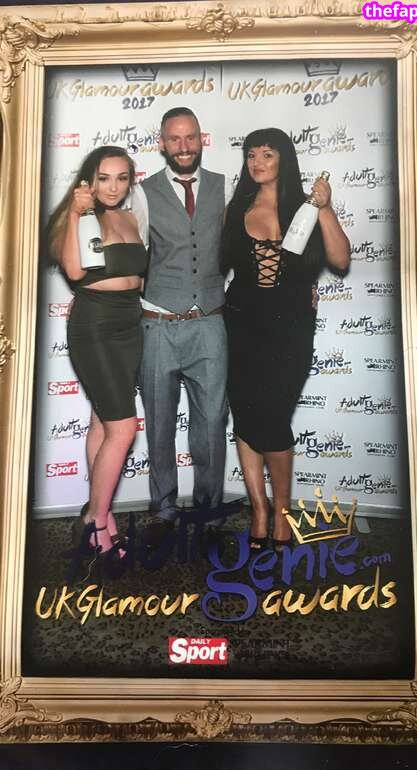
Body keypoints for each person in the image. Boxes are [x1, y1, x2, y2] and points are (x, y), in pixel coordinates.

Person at [222, 128, 351, 550]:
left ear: (284, 160)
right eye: (251, 154)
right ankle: (259, 510)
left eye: (267, 154)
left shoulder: (306, 207)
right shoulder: (236, 208)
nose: (257, 162)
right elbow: (213, 265)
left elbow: (340, 259)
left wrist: (325, 208)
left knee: (274, 417)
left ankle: (281, 510)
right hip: (241, 324)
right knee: (245, 413)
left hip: (290, 326)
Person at [47, 145, 148, 575]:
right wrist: (75, 213)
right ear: (89, 179)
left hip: (130, 325)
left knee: (102, 424)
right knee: (124, 429)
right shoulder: (77, 216)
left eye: (122, 178)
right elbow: (74, 272)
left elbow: (138, 277)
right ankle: (97, 521)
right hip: (96, 327)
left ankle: (98, 515)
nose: (113, 187)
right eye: (104, 178)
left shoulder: (130, 218)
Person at [138, 107, 228, 547]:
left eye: (190, 137)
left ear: (201, 138)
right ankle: (163, 508)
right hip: (158, 323)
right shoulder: (142, 193)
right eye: (174, 139)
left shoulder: (224, 187)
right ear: (162, 143)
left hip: (209, 321)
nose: (184, 146)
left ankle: (209, 511)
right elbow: (130, 254)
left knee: (211, 423)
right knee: (158, 423)